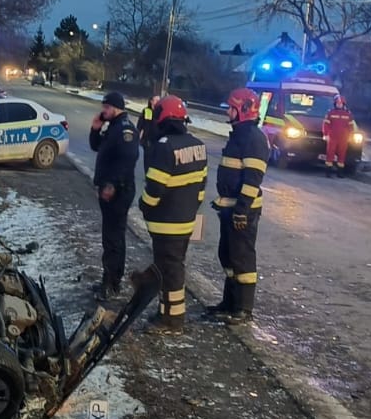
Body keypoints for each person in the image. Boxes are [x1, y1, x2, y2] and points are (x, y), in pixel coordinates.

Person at [138, 95, 207, 330]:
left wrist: (144, 205)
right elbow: (201, 187)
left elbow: (154, 188)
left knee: (169, 270)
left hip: (165, 223)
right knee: (173, 266)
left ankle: (172, 319)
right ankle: (168, 312)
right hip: (186, 221)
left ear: (163, 119)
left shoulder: (164, 146)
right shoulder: (198, 145)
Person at [208, 87, 269, 325]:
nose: (228, 112)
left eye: (232, 108)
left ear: (243, 109)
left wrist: (242, 210)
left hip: (243, 210)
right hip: (230, 207)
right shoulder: (240, 135)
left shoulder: (253, 138)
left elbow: (253, 179)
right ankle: (229, 303)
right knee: (228, 256)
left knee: (242, 259)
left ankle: (243, 308)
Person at [87, 90, 138, 299]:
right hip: (112, 189)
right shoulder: (113, 127)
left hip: (119, 191)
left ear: (116, 108)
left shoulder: (125, 129)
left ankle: (111, 284)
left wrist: (112, 185)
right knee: (112, 237)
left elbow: (128, 159)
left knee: (113, 239)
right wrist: (95, 128)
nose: (103, 111)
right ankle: (110, 280)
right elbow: (96, 146)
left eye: (106, 107)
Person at [322, 94, 356, 176]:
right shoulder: (331, 113)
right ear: (335, 104)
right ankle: (328, 172)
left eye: (340, 103)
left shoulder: (348, 114)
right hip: (332, 137)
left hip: (344, 138)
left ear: (343, 104)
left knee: (342, 154)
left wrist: (350, 136)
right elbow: (326, 125)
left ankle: (340, 172)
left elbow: (351, 126)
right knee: (330, 154)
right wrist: (326, 134)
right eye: (338, 103)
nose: (339, 105)